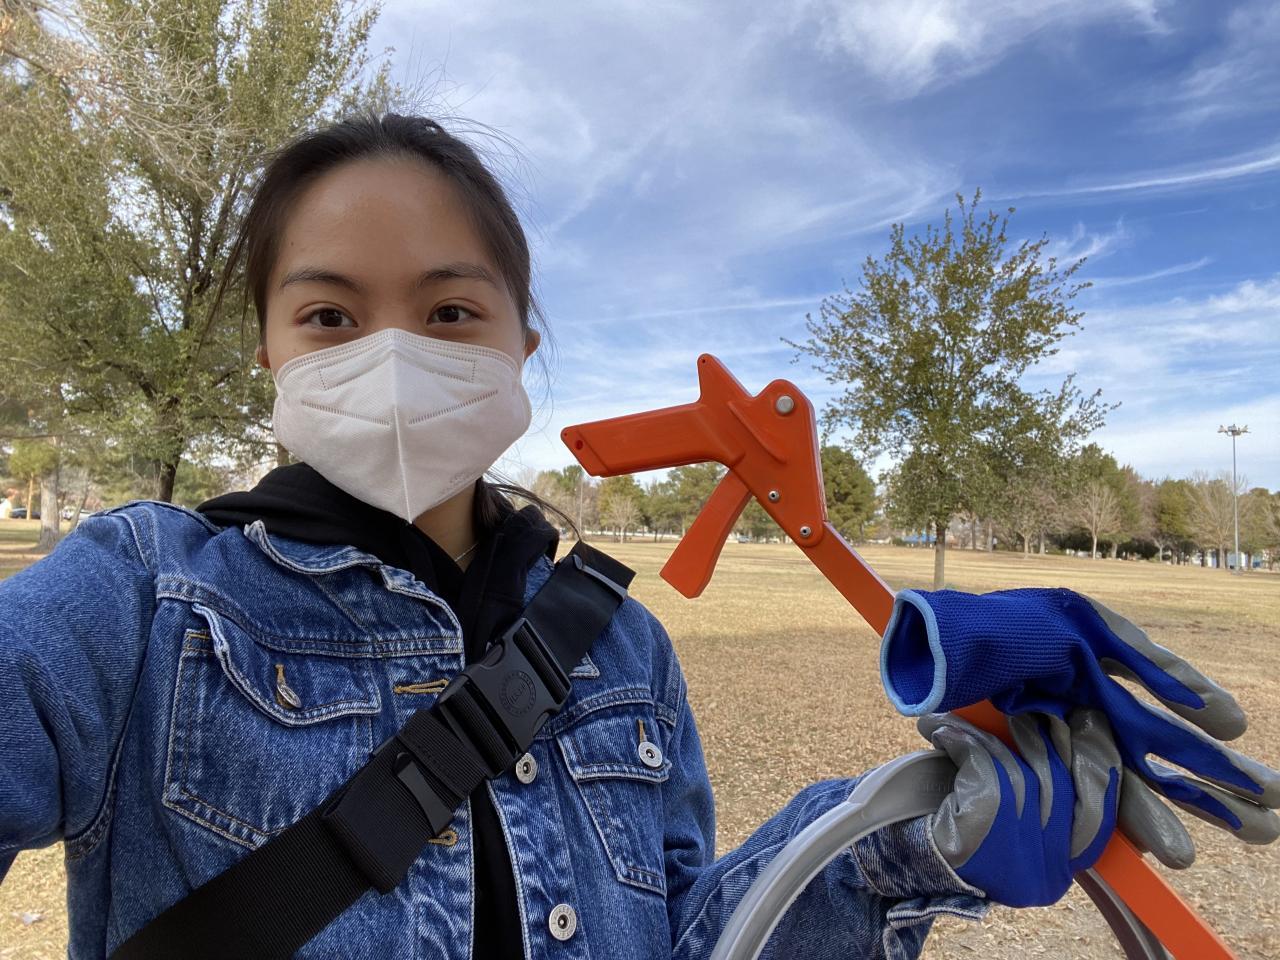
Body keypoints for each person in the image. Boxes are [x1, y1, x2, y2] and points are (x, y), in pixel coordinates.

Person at [0, 112, 1275, 960]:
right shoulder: (142, 599)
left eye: (449, 312)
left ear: (521, 343)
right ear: (267, 351)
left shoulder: (616, 647)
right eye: (330, 316)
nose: (391, 356)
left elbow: (690, 937)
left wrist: (899, 841)